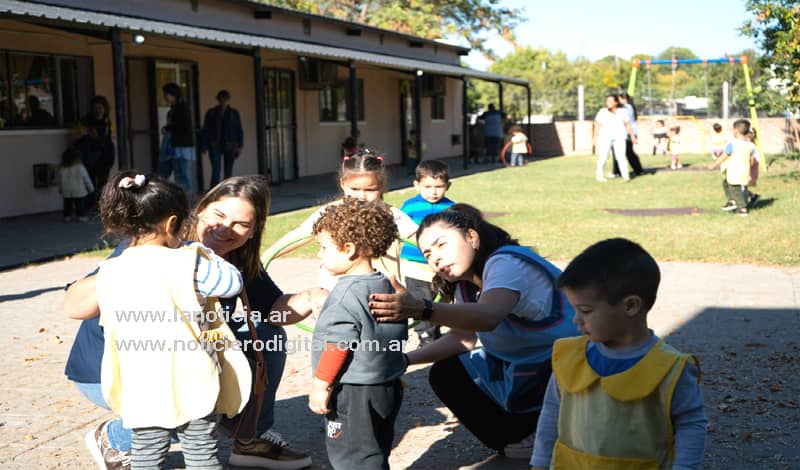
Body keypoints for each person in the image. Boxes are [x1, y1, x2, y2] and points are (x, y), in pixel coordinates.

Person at [63, 175, 325, 470]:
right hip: (115, 370)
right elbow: (74, 304)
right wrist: (145, 268)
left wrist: (311, 297)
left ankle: (249, 439)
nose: (226, 228)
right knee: (186, 404)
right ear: (197, 211)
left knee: (265, 335)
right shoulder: (148, 249)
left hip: (180, 360)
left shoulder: (223, 258)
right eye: (219, 215)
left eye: (241, 224)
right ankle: (113, 437)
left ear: (254, 230)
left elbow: (271, 310)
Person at [368, 204, 579, 459]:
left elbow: (489, 316)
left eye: (441, 244)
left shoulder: (507, 262)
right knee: (447, 373)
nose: (435, 257)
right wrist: (403, 360)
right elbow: (461, 339)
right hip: (536, 371)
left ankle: (555, 432)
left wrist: (421, 309)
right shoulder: (465, 286)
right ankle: (524, 437)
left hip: (578, 365)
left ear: (472, 237)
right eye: (428, 253)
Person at [89, 171, 249, 469]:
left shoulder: (110, 269)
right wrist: (203, 253)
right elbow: (232, 283)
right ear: (172, 223)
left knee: (147, 451)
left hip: (139, 379)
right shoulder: (190, 262)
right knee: (201, 451)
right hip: (192, 376)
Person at [530, 238, 707, 469]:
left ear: (631, 306)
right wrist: (541, 462)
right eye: (575, 309)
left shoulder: (670, 368)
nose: (576, 320)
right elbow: (552, 411)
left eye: (585, 310)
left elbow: (690, 423)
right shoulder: (569, 357)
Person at [308, 199, 406, 469]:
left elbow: (337, 346)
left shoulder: (345, 293)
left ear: (349, 249)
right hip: (386, 384)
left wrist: (320, 385)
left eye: (323, 247)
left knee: (352, 456)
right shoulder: (385, 283)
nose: (319, 254)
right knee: (375, 449)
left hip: (354, 390)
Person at [265, 150, 418, 290]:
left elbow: (419, 239)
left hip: (379, 291)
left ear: (382, 187)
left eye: (370, 190)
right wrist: (264, 258)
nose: (361, 196)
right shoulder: (330, 212)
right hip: (334, 289)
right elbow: (299, 235)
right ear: (343, 184)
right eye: (355, 189)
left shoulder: (391, 215)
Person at [399, 160, 455, 346]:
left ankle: (435, 330)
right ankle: (426, 337)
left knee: (442, 300)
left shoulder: (452, 209)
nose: (433, 191)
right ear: (416, 185)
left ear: (448, 185)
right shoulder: (409, 207)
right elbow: (398, 229)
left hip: (441, 265)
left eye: (439, 186)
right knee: (420, 300)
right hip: (416, 265)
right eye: (427, 186)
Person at [708, 119, 757, 217]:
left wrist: (714, 165)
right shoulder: (751, 145)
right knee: (726, 183)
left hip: (734, 171)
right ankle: (732, 200)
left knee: (735, 189)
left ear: (736, 131)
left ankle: (742, 209)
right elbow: (752, 161)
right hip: (744, 172)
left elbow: (724, 156)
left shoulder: (732, 144)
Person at [158, 82, 195, 195]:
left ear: (173, 94)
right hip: (171, 146)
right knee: (162, 174)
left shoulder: (182, 108)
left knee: (181, 176)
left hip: (179, 147)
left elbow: (183, 126)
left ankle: (186, 200)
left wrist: (168, 129)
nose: (165, 97)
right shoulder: (174, 108)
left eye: (166, 95)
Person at [201, 89, 243, 188]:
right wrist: (204, 145)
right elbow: (206, 129)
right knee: (216, 170)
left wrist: (240, 145)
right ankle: (214, 191)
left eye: (225, 99)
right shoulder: (211, 113)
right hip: (214, 144)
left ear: (228, 100)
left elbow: (239, 129)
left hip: (230, 144)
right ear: (218, 100)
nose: (223, 101)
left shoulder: (233, 113)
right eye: (221, 99)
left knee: (228, 171)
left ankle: (228, 191)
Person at [76, 96, 116, 193]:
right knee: (90, 182)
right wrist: (88, 133)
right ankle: (91, 204)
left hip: (105, 155)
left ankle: (101, 203)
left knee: (103, 182)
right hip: (90, 155)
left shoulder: (108, 122)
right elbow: (77, 137)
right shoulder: (85, 121)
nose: (98, 111)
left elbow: (112, 138)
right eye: (96, 108)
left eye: (100, 108)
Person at [593, 94, 636, 182]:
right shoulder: (602, 111)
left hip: (619, 137)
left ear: (616, 102)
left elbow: (627, 124)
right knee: (603, 156)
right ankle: (599, 176)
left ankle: (626, 176)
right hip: (605, 137)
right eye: (607, 101)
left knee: (621, 157)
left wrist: (632, 136)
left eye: (610, 101)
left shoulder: (623, 111)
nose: (608, 103)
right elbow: (597, 124)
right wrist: (595, 138)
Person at [58, 147, 94, 222]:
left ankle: (67, 216)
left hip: (66, 189)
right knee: (79, 203)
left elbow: (60, 180)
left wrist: (60, 189)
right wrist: (91, 188)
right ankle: (81, 216)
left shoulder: (63, 168)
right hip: (78, 189)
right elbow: (86, 179)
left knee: (67, 204)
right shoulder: (80, 167)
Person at [612, 93, 643, 177]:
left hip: (628, 133)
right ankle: (618, 171)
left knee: (627, 153)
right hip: (626, 133)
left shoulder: (627, 107)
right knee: (623, 153)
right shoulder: (627, 107)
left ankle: (637, 169)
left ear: (624, 99)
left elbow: (625, 121)